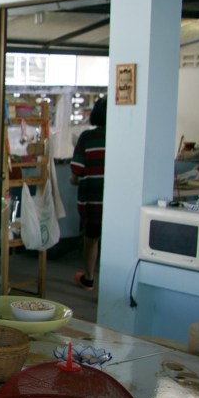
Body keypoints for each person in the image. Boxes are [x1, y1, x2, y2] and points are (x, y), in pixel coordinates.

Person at [69, 96, 106, 291]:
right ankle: (113, 287)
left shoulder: (87, 137)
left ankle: (89, 279)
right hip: (116, 201)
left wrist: (74, 179)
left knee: (91, 238)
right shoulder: (122, 137)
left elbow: (77, 170)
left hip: (92, 199)